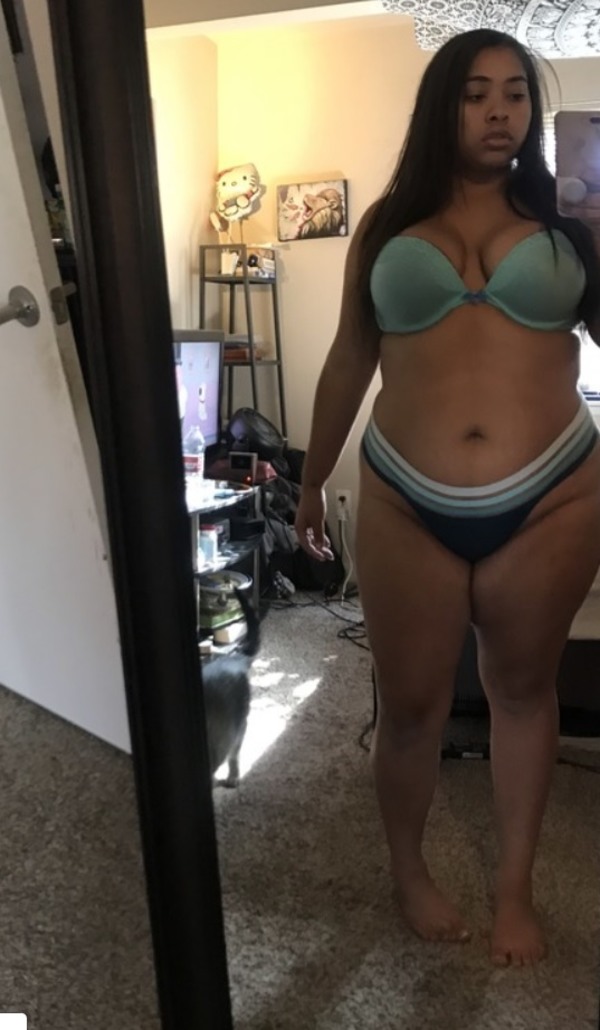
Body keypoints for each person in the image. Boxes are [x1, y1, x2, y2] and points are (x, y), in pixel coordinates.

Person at [294, 28, 600, 968]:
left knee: (523, 691)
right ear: (443, 106)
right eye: (475, 94)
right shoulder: (388, 225)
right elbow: (351, 358)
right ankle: (409, 872)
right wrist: (309, 480)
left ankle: (515, 892)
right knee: (411, 704)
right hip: (402, 493)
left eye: (515, 93)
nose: (499, 111)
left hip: (554, 493)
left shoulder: (568, 223)